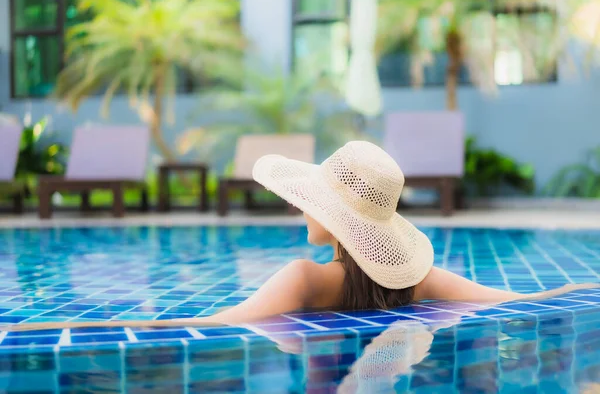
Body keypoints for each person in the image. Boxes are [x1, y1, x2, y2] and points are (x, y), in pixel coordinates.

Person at [5, 141, 597, 332]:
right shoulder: (416, 282)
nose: (297, 205)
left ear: (337, 219)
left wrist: (69, 323)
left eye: (308, 198)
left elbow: (211, 326)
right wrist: (584, 282)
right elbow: (511, 300)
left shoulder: (302, 280)